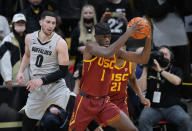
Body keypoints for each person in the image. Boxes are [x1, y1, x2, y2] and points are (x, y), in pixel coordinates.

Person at [69, 21, 152, 131]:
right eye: (103, 37)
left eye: (108, 36)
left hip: (104, 102)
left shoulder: (117, 53)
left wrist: (149, 38)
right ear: (95, 37)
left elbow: (143, 59)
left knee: (132, 129)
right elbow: (107, 53)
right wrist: (128, 33)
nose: (107, 39)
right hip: (85, 102)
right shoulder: (90, 47)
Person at [16, 11, 72, 131]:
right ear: (41, 22)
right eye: (48, 22)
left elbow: (63, 72)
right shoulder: (29, 38)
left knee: (77, 110)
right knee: (27, 124)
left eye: (53, 23)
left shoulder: (60, 43)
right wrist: (21, 71)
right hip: (37, 89)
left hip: (56, 87)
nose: (51, 25)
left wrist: (42, 80)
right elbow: (27, 55)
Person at [138, 46, 192, 131]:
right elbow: (141, 89)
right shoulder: (150, 70)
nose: (162, 57)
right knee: (143, 121)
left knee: (185, 120)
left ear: (171, 58)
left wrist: (160, 70)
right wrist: (145, 68)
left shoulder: (175, 70)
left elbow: (177, 81)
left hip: (172, 107)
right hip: (152, 107)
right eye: (160, 54)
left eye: (165, 55)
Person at [104, 45, 151, 131]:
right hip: (104, 103)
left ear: (125, 47)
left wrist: (141, 97)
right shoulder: (104, 62)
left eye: (121, 47)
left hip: (121, 103)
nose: (120, 50)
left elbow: (132, 79)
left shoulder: (131, 62)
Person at [0, 13, 26, 90]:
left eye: (22, 23)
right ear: (13, 24)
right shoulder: (7, 40)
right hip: (13, 82)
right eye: (18, 23)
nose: (20, 25)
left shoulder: (29, 39)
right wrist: (7, 79)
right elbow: (4, 60)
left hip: (28, 81)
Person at [70, 4, 97, 72]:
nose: (88, 15)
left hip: (96, 63)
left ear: (94, 15)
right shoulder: (77, 30)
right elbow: (72, 51)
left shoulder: (98, 29)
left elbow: (105, 47)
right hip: (80, 62)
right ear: (82, 15)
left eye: (90, 13)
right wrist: (79, 49)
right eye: (86, 13)